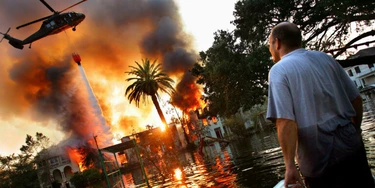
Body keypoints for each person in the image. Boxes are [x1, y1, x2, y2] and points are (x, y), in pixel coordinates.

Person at [266, 22, 374, 188]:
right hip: (352, 146)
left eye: (269, 43)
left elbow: (285, 121)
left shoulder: (279, 70)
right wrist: (356, 130)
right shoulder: (326, 59)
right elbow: (356, 100)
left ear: (277, 42)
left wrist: (289, 166)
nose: (269, 48)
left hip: (318, 156)